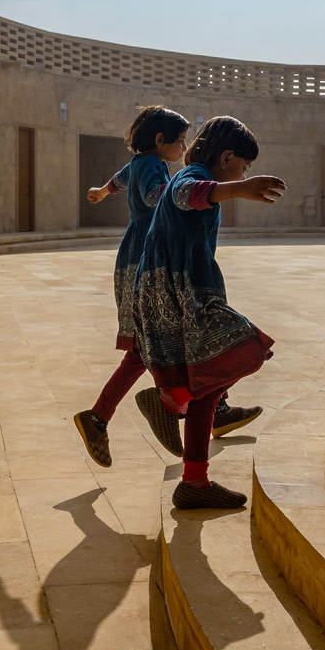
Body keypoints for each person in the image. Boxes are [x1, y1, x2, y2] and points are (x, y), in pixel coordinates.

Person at [131, 116, 286, 510]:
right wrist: (239, 188)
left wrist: (234, 186)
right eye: (243, 167)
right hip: (183, 294)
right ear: (228, 156)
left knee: (210, 384)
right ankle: (168, 403)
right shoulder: (195, 175)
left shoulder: (200, 174)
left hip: (181, 289)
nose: (245, 174)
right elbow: (188, 194)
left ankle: (194, 482)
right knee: (245, 350)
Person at [71, 106, 188, 468]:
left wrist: (101, 192)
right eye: (180, 142)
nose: (183, 149)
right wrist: (186, 191)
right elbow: (156, 197)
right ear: (159, 140)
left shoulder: (137, 164)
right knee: (170, 337)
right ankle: (195, 407)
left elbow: (118, 181)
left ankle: (102, 417)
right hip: (146, 263)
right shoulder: (154, 167)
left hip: (135, 258)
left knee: (149, 345)